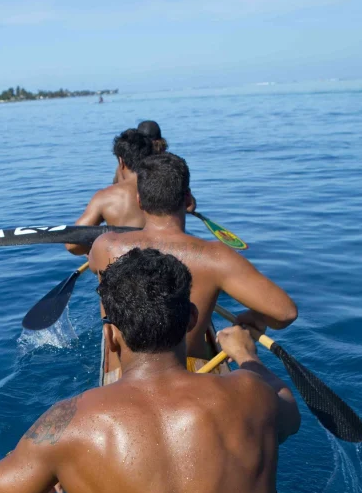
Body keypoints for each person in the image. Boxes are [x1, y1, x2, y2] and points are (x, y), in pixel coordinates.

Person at [0, 249, 300, 493]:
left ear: (111, 335)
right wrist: (246, 356)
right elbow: (289, 412)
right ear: (192, 319)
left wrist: (48, 469)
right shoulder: (252, 394)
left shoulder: (68, 424)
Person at [89, 153, 297, 369]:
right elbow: (285, 313)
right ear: (188, 200)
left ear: (140, 200)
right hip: (192, 370)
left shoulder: (106, 246)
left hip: (126, 371)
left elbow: (94, 264)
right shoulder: (216, 256)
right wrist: (258, 319)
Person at [65, 128, 154, 255]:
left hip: (122, 267)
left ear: (121, 161)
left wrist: (101, 244)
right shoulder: (167, 186)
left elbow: (73, 244)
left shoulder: (106, 197)